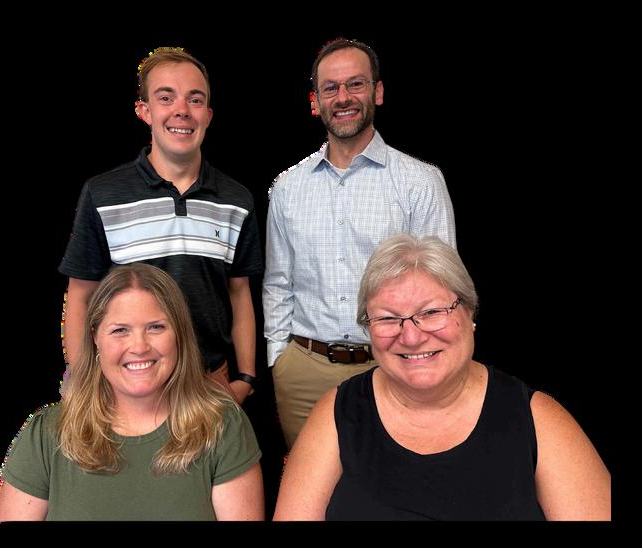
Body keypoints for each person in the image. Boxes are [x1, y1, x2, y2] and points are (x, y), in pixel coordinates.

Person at [273, 234, 611, 520]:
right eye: (388, 318)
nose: (411, 337)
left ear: (469, 312)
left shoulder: (537, 419)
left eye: (432, 312)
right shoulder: (337, 413)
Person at [263, 38, 456, 448]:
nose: (343, 98)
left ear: (377, 92)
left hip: (395, 365)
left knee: (396, 479)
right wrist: (279, 359)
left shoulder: (420, 182)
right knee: (310, 482)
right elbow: (278, 282)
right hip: (304, 371)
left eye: (356, 84)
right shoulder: (287, 188)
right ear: (315, 101)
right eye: (330, 88)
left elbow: (443, 288)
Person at [59, 47, 262, 404]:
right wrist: (82, 383)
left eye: (195, 99)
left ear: (208, 115)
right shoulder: (103, 194)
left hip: (210, 386)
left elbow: (239, 292)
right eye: (166, 97)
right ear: (145, 110)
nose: (182, 109)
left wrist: (245, 377)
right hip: (129, 382)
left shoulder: (237, 199)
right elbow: (80, 295)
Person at [0, 263, 264, 521]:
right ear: (95, 337)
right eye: (120, 330)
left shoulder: (223, 426)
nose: (139, 347)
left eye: (155, 327)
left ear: (180, 334)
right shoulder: (46, 434)